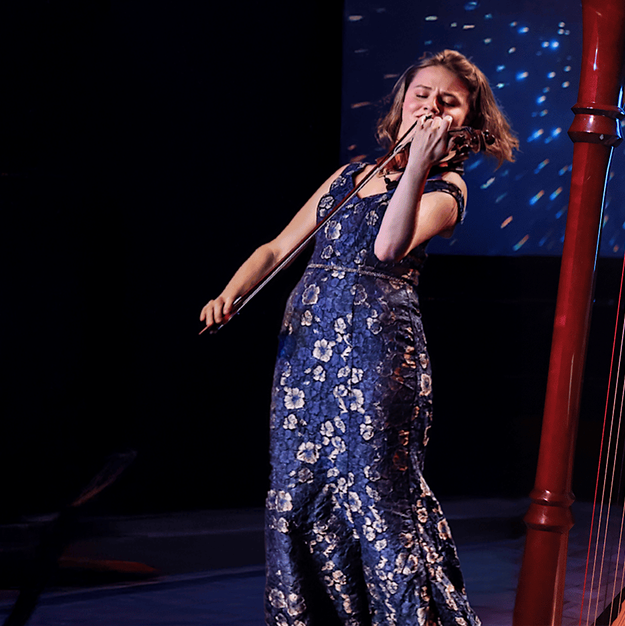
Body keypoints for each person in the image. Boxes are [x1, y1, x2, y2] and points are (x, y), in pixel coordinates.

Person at [200, 50, 517, 626]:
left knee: (373, 491)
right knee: (297, 488)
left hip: (375, 354)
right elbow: (276, 248)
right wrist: (230, 293)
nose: (431, 105)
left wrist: (418, 162)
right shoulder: (350, 176)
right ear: (402, 102)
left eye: (448, 101)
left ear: (467, 122)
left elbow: (387, 247)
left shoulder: (447, 188)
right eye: (422, 93)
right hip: (305, 351)